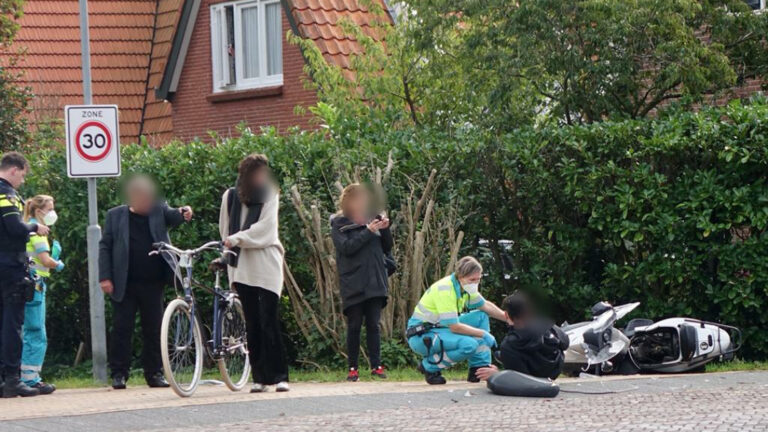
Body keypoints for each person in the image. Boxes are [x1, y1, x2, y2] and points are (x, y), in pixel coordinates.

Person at [99, 175, 193, 389]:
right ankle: (119, 374)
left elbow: (174, 216)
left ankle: (155, 374)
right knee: (122, 328)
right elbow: (105, 246)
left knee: (154, 329)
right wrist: (105, 277)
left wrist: (184, 211)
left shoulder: (159, 209)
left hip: (153, 283)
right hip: (124, 282)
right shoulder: (115, 216)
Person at [218, 154, 290, 393]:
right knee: (252, 322)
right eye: (257, 173)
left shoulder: (270, 194)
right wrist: (232, 242)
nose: (262, 178)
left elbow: (267, 230)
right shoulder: (229, 197)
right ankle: (260, 377)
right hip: (242, 265)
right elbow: (224, 228)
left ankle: (280, 375)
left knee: (269, 319)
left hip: (267, 264)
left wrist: (238, 239)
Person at [406, 256, 507, 385]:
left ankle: (478, 369)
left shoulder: (465, 287)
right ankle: (429, 366)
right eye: (472, 280)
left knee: (481, 316)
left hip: (440, 327)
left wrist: (508, 318)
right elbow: (454, 327)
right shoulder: (445, 289)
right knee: (469, 345)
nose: (475, 283)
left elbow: (485, 306)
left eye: (478, 279)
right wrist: (484, 334)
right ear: (460, 276)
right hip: (422, 335)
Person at [331, 184, 392, 382]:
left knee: (374, 324)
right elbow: (346, 247)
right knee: (354, 325)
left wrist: (385, 228)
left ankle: (376, 366)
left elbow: (387, 247)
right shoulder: (339, 223)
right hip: (353, 281)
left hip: (375, 279)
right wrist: (368, 230)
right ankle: (353, 368)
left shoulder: (372, 217)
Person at [0, 152, 49, 398]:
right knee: (12, 324)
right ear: (14, 170)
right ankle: (12, 379)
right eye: (22, 175)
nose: (22, 181)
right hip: (9, 268)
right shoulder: (6, 195)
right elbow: (14, 227)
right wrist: (34, 227)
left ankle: (3, 380)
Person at [21, 195, 64, 395]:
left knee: (24, 331)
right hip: (35, 287)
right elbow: (44, 260)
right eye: (50, 209)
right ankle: (31, 379)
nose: (52, 213)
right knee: (36, 332)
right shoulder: (37, 233)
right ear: (39, 211)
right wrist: (57, 262)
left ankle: (21, 376)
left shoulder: (26, 227)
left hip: (25, 284)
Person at [475, 292, 569, 382]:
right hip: (553, 371)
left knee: (506, 352)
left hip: (532, 376)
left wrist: (497, 374)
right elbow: (565, 342)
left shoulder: (509, 345)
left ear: (507, 315)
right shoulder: (546, 323)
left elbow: (519, 379)